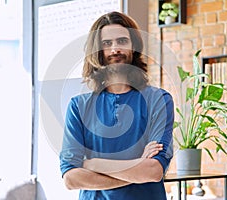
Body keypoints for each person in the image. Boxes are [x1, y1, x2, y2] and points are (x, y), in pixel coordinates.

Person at [60, 11, 174, 200]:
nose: (115, 49)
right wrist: (137, 167)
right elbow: (71, 179)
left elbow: (153, 171)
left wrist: (92, 164)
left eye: (122, 41)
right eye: (107, 43)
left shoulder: (159, 100)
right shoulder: (78, 107)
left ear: (134, 46)